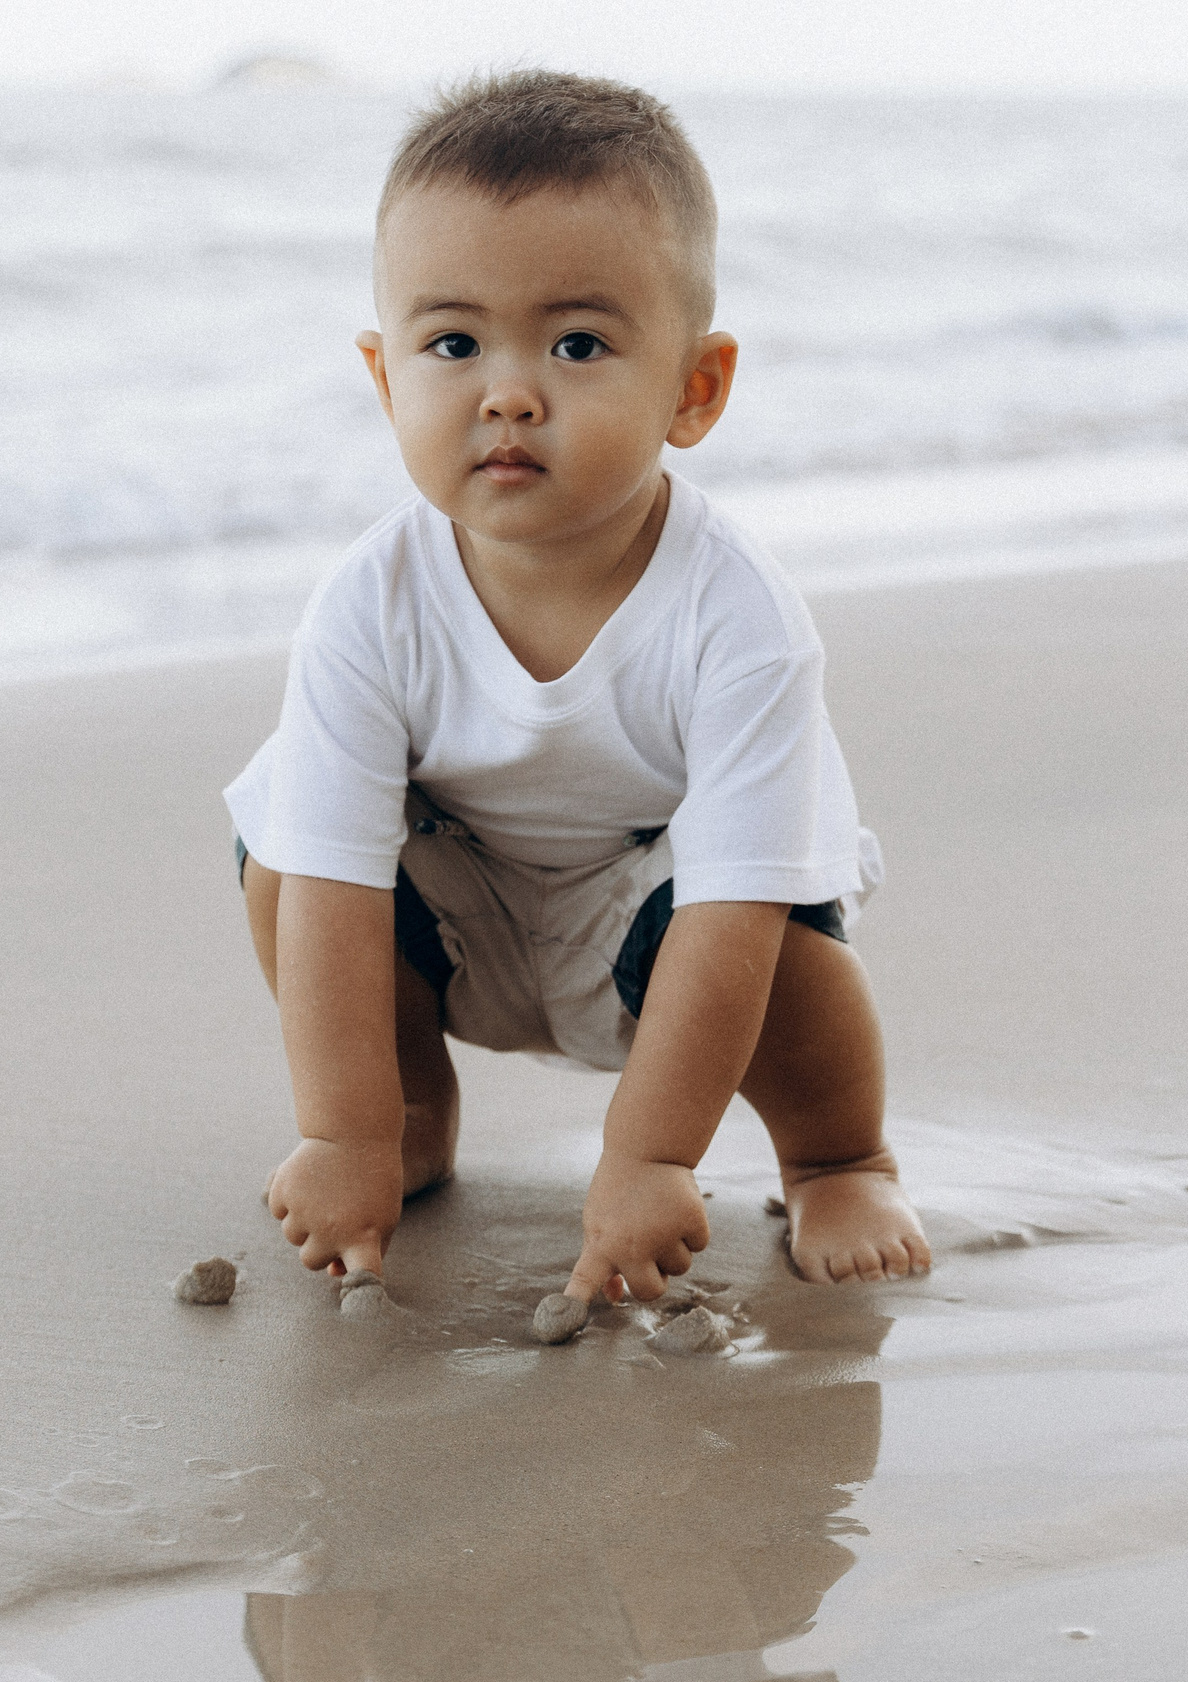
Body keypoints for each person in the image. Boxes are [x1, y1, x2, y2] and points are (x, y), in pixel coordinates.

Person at [227, 69, 931, 1307]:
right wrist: (342, 1132)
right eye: (452, 343)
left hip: (662, 931)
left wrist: (647, 1154)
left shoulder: (740, 618)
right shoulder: (366, 600)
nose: (508, 391)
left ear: (692, 390)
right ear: (387, 378)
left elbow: (730, 914)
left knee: (795, 956)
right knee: (279, 852)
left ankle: (838, 1155)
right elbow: (338, 879)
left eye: (577, 343)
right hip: (459, 913)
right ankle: (405, 1109)